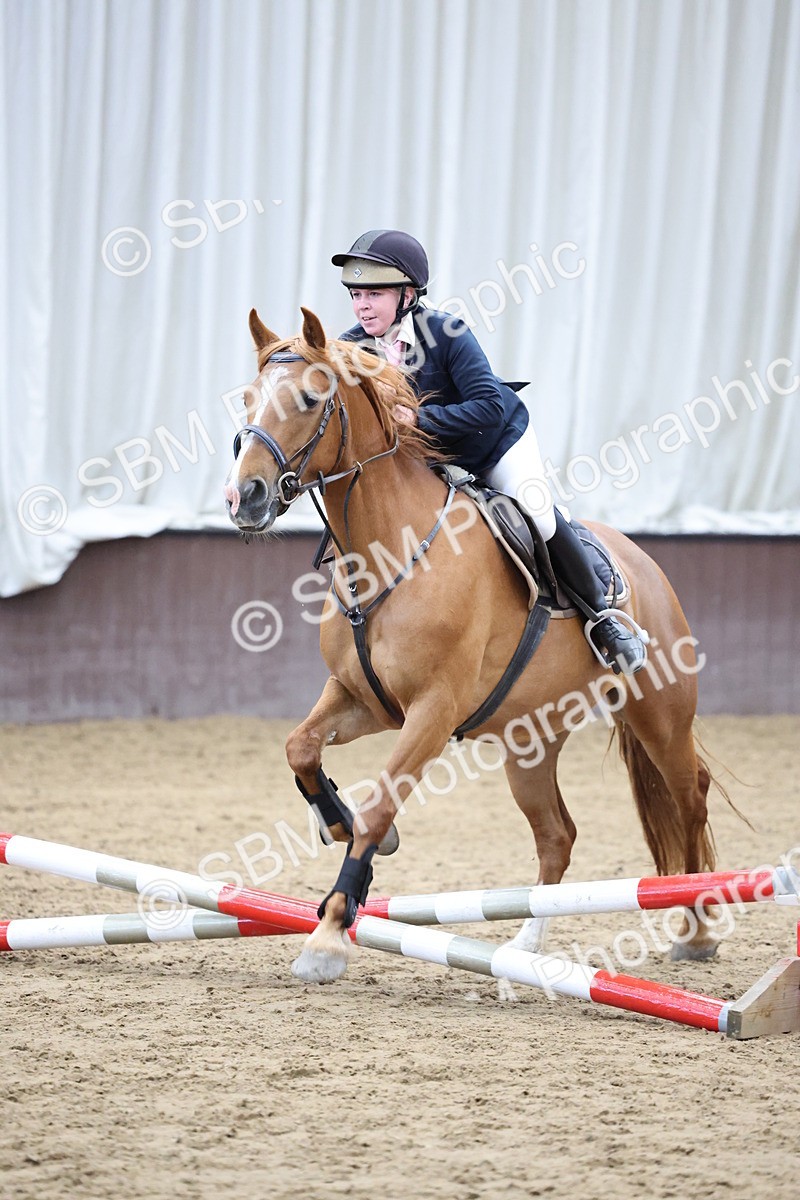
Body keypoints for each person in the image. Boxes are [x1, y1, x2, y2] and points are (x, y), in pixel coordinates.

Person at [332, 229, 647, 675]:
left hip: (492, 443)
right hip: (429, 461)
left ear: (407, 295)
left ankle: (604, 621)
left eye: (374, 295)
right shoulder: (352, 347)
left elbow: (489, 405)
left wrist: (419, 421)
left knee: (535, 511)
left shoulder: (448, 333)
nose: (362, 306)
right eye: (356, 295)